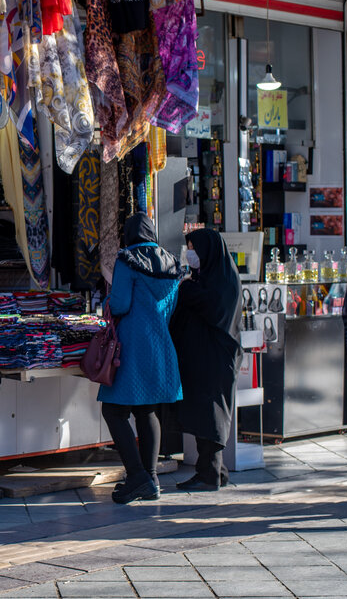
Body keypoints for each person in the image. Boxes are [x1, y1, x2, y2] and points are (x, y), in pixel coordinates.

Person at [98, 214, 186, 504]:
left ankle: (137, 475)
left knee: (114, 410)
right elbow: (172, 308)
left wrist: (106, 303)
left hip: (132, 344)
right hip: (160, 343)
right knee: (147, 411)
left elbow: (121, 303)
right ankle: (151, 479)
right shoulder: (172, 262)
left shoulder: (128, 259)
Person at [170, 229, 242, 491]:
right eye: (188, 247)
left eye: (194, 248)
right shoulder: (208, 278)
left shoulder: (223, 281)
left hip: (216, 359)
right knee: (205, 413)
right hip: (204, 359)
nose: (190, 254)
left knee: (211, 414)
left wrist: (187, 289)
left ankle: (209, 473)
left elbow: (214, 308)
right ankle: (215, 470)